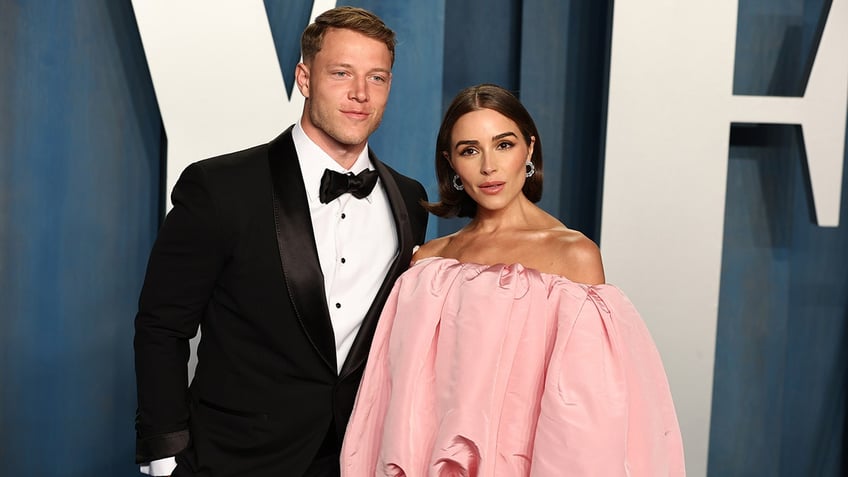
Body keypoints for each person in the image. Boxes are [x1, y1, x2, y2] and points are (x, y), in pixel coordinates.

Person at [133, 7, 428, 477]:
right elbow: (161, 326)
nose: (360, 94)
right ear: (305, 78)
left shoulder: (409, 199)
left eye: (377, 77)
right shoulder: (220, 186)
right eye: (342, 73)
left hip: (355, 458)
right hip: (233, 458)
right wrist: (164, 455)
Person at [341, 84, 685, 476]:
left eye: (503, 145)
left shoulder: (572, 257)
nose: (489, 166)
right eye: (470, 150)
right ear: (451, 163)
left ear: (530, 149)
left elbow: (586, 419)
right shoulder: (428, 264)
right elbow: (391, 401)